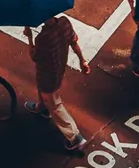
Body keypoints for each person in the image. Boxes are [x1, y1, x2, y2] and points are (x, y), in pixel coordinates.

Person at [23, 14, 89, 153]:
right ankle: (42, 108)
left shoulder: (43, 38)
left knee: (53, 103)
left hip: (47, 75)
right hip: (59, 68)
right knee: (44, 93)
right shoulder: (65, 23)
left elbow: (34, 56)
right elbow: (74, 42)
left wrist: (29, 37)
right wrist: (82, 60)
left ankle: (75, 137)